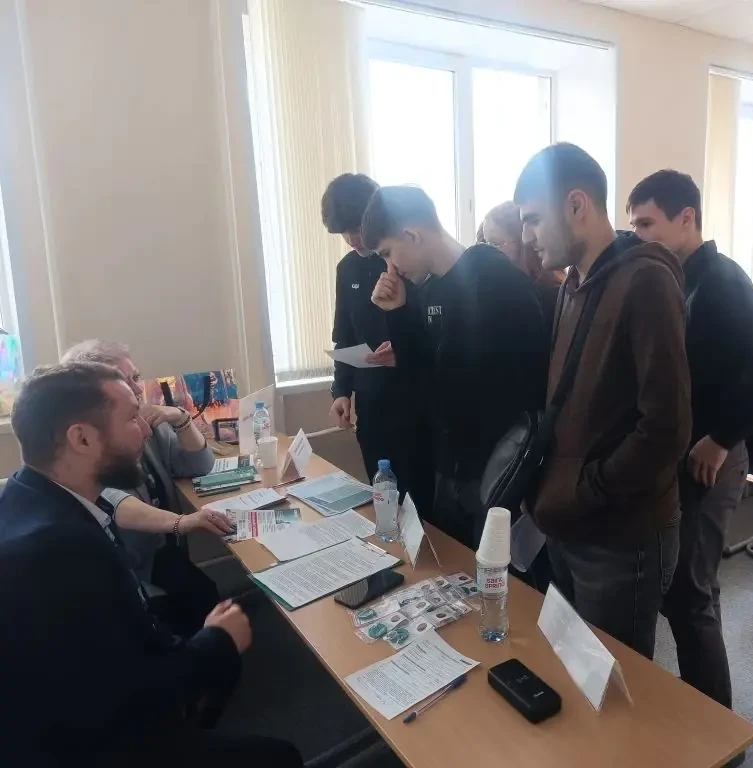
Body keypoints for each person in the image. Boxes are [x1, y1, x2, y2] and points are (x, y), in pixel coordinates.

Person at [0, 363, 302, 767]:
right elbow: (125, 696)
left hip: (81, 720)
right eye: (131, 419)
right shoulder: (55, 549)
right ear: (82, 438)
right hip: (88, 747)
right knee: (280, 757)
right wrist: (216, 641)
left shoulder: (28, 495)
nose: (145, 430)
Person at [628, 170, 753, 713]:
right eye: (633, 226)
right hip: (689, 454)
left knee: (691, 597)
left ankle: (718, 731)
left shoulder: (720, 279)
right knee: (683, 590)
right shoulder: (676, 279)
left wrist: (722, 438)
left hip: (715, 457)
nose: (638, 237)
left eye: (647, 224)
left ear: (687, 218)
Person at [514, 143, 691, 659]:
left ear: (576, 205)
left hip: (620, 534)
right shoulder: (573, 283)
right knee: (575, 666)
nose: (526, 237)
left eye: (533, 220)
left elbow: (666, 429)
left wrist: (586, 489)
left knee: (614, 680)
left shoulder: (646, 280)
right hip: (570, 522)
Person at [366, 185, 548, 549]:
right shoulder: (427, 290)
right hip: (450, 467)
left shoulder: (494, 279)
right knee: (450, 571)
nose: (391, 268)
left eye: (387, 253)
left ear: (412, 235)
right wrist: (398, 315)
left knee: (495, 576)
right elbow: (420, 382)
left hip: (497, 469)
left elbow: (526, 385)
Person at [62, 339, 227, 636]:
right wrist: (182, 522)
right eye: (123, 381)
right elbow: (111, 501)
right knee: (201, 602)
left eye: (135, 377)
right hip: (129, 569)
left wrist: (180, 417)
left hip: (162, 554)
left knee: (204, 597)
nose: (137, 389)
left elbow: (199, 465)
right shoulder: (88, 445)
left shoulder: (145, 423)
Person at [322, 173, 433, 513]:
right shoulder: (347, 269)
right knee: (383, 503)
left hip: (416, 405)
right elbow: (344, 335)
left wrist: (404, 348)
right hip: (372, 408)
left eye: (356, 228)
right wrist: (341, 391)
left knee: (421, 508)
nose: (352, 240)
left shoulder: (408, 261)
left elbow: (434, 330)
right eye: (343, 233)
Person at [478, 200, 565, 332]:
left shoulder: (552, 296)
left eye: (496, 244)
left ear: (523, 243)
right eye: (485, 243)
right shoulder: (496, 292)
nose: (488, 253)